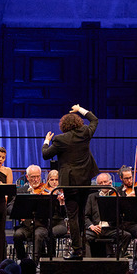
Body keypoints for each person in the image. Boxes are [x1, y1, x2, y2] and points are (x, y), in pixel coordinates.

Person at [42, 103, 99, 260]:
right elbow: (94, 120)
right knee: (80, 213)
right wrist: (80, 109)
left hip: (70, 182)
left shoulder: (60, 139)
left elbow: (46, 155)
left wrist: (46, 141)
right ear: (78, 123)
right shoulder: (85, 132)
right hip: (85, 179)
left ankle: (77, 249)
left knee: (72, 215)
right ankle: (82, 242)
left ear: (64, 125)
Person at [12, 164, 50, 260]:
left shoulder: (46, 191)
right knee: (17, 235)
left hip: (41, 226)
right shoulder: (21, 191)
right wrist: (19, 213)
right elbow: (10, 207)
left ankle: (35, 262)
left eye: (38, 176)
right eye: (33, 177)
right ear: (27, 177)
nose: (36, 179)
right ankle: (23, 260)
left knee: (38, 235)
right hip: (25, 227)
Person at [84, 173, 121, 257]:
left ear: (110, 182)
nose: (103, 184)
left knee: (126, 236)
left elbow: (121, 216)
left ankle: (118, 262)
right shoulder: (92, 197)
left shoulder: (116, 195)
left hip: (110, 229)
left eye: (105, 182)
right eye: (100, 183)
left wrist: (119, 201)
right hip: (96, 229)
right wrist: (91, 226)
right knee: (84, 237)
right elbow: (85, 216)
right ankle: (88, 264)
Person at [116, 165, 137, 259]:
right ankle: (119, 259)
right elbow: (114, 209)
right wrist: (125, 200)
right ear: (121, 178)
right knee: (125, 235)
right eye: (126, 178)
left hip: (134, 223)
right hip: (121, 223)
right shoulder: (117, 191)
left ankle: (136, 260)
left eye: (130, 177)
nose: (129, 180)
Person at [45, 169, 68, 256]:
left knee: (51, 233)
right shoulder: (44, 192)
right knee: (42, 232)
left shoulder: (63, 193)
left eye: (56, 180)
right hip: (47, 222)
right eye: (52, 180)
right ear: (48, 180)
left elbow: (64, 215)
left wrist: (62, 204)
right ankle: (44, 256)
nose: (54, 182)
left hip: (59, 223)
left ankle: (51, 257)